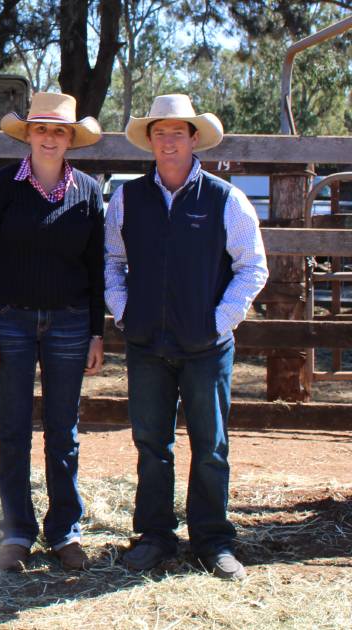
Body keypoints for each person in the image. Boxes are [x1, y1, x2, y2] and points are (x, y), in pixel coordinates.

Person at [105, 94, 268, 580]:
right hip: (147, 346)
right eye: (161, 132)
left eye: (179, 132)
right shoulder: (128, 198)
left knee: (211, 445)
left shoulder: (225, 199)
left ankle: (212, 541)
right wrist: (124, 310)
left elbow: (253, 268)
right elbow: (112, 262)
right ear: (149, 140)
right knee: (151, 443)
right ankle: (155, 536)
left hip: (205, 349)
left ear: (195, 139)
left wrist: (217, 321)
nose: (169, 140)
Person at [0, 92, 106, 572]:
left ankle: (65, 530)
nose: (50, 137)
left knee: (63, 432)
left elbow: (96, 266)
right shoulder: (1, 187)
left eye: (59, 130)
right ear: (28, 134)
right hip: (10, 322)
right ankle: (17, 532)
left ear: (71, 139)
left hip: (69, 322)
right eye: (42, 129)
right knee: (13, 430)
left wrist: (96, 332)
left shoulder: (88, 191)